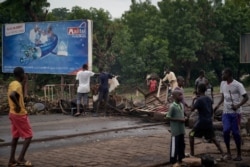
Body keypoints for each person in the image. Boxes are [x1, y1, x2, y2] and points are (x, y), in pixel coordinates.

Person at [214, 68, 249, 161]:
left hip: (235, 113)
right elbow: (223, 97)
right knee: (225, 131)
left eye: (223, 74)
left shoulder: (238, 85)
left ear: (228, 74)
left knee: (236, 133)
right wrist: (217, 105)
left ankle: (239, 154)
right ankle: (228, 153)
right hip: (226, 112)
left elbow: (246, 97)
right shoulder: (223, 84)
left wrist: (237, 105)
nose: (222, 76)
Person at [189, 83, 224, 157]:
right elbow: (211, 111)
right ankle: (223, 153)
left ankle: (192, 153)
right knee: (213, 138)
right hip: (209, 122)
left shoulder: (198, 100)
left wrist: (193, 99)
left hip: (201, 122)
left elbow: (192, 109)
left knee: (191, 134)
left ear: (198, 90)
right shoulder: (209, 99)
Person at [8, 67, 33, 167]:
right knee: (29, 136)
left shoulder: (13, 83)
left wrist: (24, 83)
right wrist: (18, 106)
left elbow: (19, 95)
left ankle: (11, 160)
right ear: (22, 74)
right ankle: (21, 158)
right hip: (19, 114)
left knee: (16, 136)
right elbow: (12, 95)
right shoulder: (17, 85)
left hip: (12, 113)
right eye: (24, 74)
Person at [166, 90, 187, 165]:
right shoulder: (172, 106)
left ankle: (181, 158)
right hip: (175, 130)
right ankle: (173, 160)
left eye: (182, 94)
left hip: (181, 129)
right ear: (174, 97)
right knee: (174, 146)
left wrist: (184, 118)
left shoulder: (181, 105)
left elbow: (181, 115)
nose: (181, 96)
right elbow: (168, 117)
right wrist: (179, 119)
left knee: (182, 144)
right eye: (179, 95)